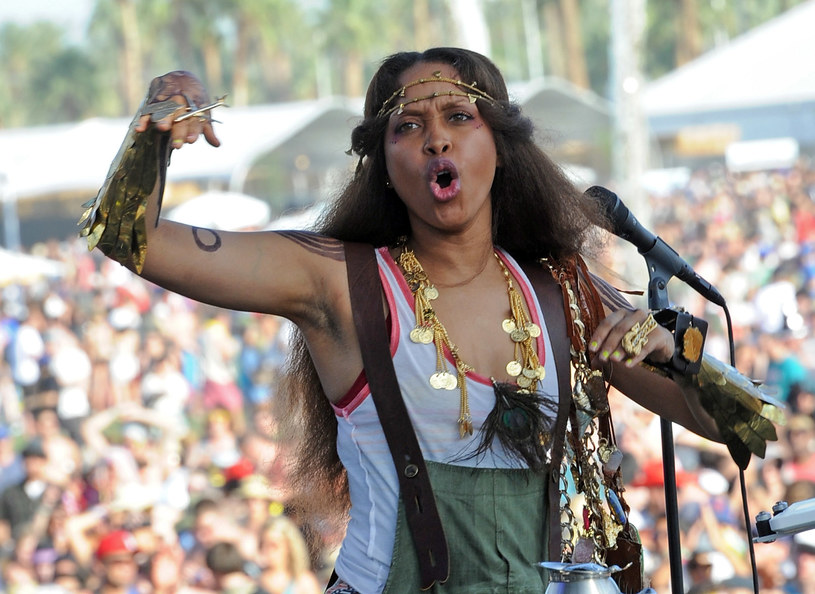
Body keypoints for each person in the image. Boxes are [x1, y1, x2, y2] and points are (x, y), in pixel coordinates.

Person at [82, 48, 778, 593]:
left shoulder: (563, 290)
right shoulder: (339, 280)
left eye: (458, 119)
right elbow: (127, 236)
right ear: (383, 164)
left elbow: (748, 428)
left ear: (499, 148)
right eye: (408, 127)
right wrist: (155, 125)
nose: (435, 142)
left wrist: (677, 355)